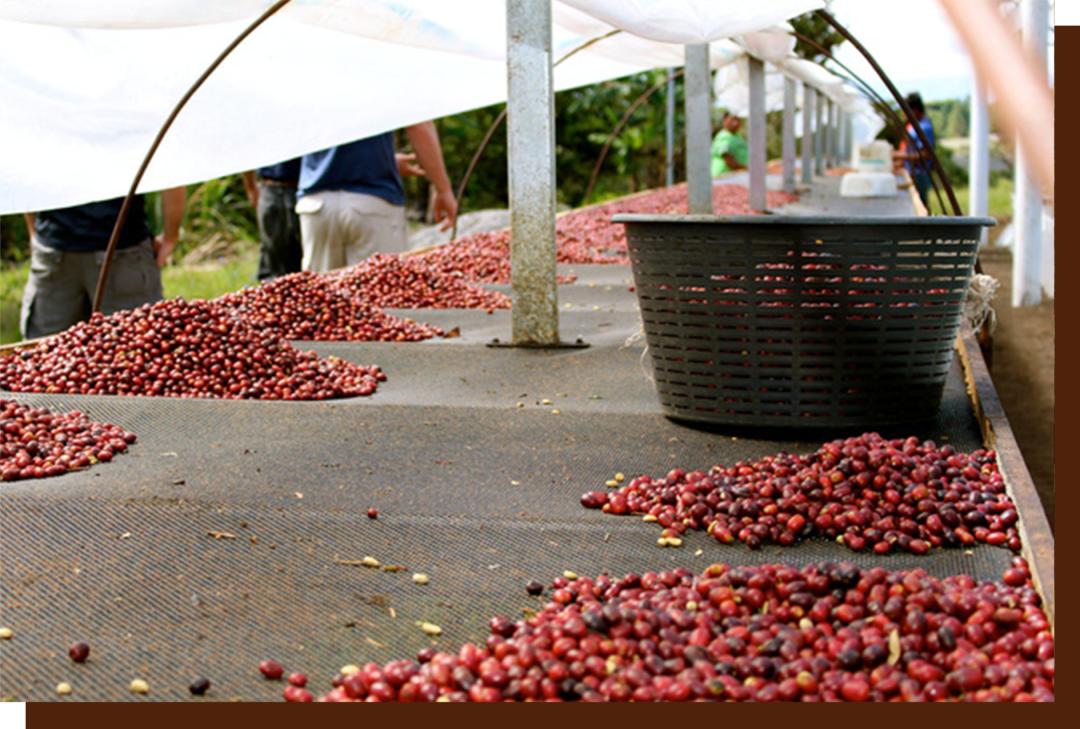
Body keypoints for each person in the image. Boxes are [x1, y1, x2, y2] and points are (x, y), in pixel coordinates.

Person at [20, 189, 186, 340]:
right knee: (137, 345)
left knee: (45, 352)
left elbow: (25, 170)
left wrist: (34, 231)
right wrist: (171, 235)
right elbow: (170, 169)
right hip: (120, 254)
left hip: (61, 249)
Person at [295, 121, 457, 272]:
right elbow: (419, 126)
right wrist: (443, 189)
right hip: (371, 201)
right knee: (382, 294)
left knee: (321, 295)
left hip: (316, 205)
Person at [243, 159, 303, 281]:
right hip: (270, 187)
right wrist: (250, 186)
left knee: (300, 257)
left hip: (301, 188)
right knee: (272, 257)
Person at [894, 92, 936, 207]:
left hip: (920, 175)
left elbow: (926, 154)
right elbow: (910, 150)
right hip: (913, 173)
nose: (904, 114)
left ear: (915, 110)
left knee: (920, 206)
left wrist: (899, 156)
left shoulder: (924, 128)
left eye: (905, 111)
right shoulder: (915, 125)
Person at [710, 113, 749, 177]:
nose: (736, 123)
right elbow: (730, 162)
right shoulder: (724, 136)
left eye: (738, 120)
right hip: (723, 179)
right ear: (725, 120)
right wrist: (748, 169)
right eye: (733, 119)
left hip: (737, 177)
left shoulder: (738, 136)